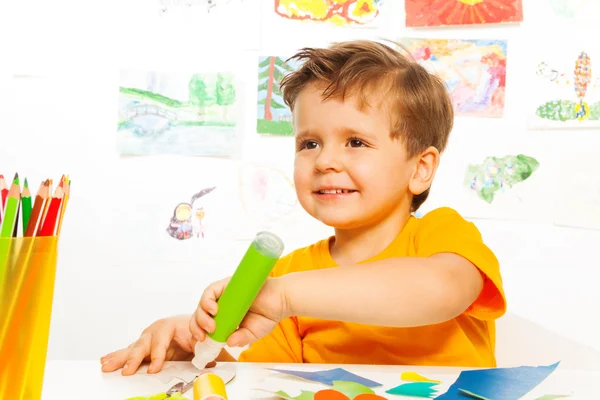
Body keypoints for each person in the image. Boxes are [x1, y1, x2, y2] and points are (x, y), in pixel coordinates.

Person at [101, 39, 506, 376]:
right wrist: (197, 350)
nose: (325, 161)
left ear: (420, 169)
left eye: (356, 142)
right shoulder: (286, 277)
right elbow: (267, 379)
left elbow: (441, 291)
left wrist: (283, 297)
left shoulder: (442, 236)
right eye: (309, 143)